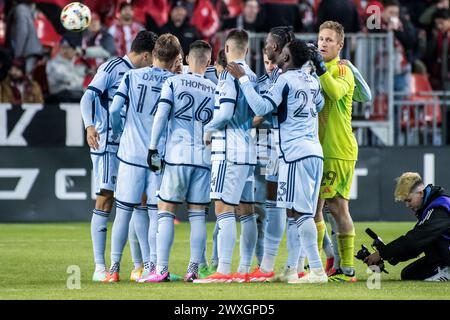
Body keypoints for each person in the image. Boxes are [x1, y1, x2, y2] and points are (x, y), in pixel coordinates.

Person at [227, 38, 328, 284]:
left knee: (301, 213)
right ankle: (295, 269)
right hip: (314, 151)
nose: (278, 55)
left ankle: (316, 270)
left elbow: (262, 106)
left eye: (282, 52)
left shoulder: (285, 80)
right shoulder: (313, 80)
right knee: (296, 212)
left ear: (287, 58)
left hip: (295, 154)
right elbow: (319, 103)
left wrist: (242, 79)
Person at [79, 30, 158, 282]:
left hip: (129, 146)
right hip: (106, 143)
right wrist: (90, 125)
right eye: (152, 57)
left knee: (135, 201)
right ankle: (100, 267)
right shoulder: (113, 66)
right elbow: (88, 96)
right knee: (106, 198)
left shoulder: (141, 75)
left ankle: (141, 266)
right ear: (146, 55)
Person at [104, 33, 181, 283]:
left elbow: (115, 110)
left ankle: (114, 269)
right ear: (175, 58)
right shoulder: (175, 82)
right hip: (157, 158)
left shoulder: (131, 76)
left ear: (154, 53)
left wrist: (118, 130)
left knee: (124, 212)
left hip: (130, 154)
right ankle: (154, 268)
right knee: (155, 213)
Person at [145, 40, 215, 282]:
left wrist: (153, 147)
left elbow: (162, 115)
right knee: (198, 215)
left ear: (186, 60)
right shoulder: (214, 88)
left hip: (177, 156)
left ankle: (161, 269)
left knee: (165, 211)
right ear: (209, 61)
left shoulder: (172, 82)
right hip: (204, 159)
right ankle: (193, 270)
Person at [194, 29, 258, 284]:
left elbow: (225, 112)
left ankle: (223, 269)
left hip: (229, 149)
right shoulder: (251, 75)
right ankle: (242, 269)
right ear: (248, 50)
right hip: (248, 148)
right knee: (246, 210)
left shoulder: (229, 74)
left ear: (227, 48)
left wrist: (207, 128)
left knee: (222, 207)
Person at [309, 21, 357, 282]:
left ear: (340, 45)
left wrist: (319, 69)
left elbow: (336, 93)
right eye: (321, 39)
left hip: (336, 150)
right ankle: (333, 267)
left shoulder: (341, 70)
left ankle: (331, 268)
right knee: (326, 209)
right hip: (325, 150)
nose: (323, 44)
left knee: (328, 209)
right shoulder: (316, 69)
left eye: (329, 40)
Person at [365, 172, 450, 281]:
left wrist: (382, 252)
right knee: (408, 274)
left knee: (428, 238)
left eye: (409, 200)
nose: (407, 205)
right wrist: (388, 256)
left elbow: (415, 239)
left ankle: (446, 272)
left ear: (420, 193)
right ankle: (443, 269)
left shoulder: (439, 207)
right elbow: (416, 246)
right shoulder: (431, 207)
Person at [46, 37, 86, 102]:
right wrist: (78, 81)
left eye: (68, 48)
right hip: (59, 95)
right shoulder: (54, 63)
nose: (65, 50)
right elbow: (67, 78)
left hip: (72, 93)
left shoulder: (73, 63)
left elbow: (78, 82)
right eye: (63, 47)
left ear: (74, 50)